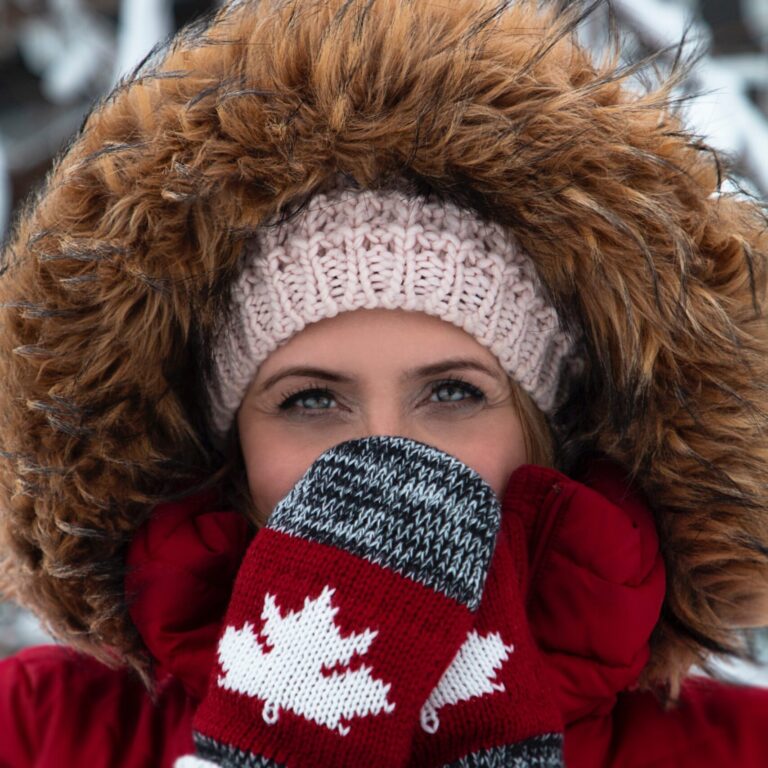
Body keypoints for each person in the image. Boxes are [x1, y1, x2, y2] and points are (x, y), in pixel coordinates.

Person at [0, 0, 767, 766]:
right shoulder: (40, 727)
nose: (385, 452)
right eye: (310, 401)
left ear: (547, 428)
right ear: (228, 446)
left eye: (453, 393)